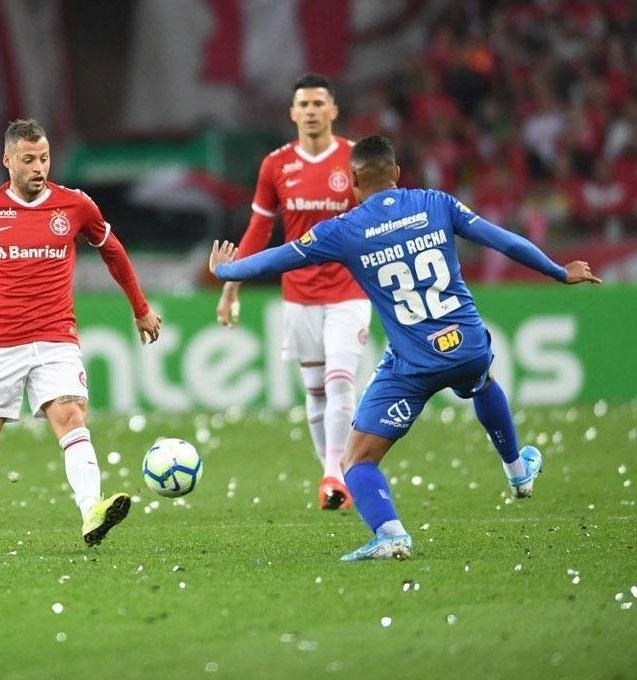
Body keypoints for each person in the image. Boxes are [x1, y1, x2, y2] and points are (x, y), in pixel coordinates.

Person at [209, 135, 600, 561]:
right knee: (482, 380)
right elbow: (502, 239)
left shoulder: (344, 230)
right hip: (466, 344)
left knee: (356, 461)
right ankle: (518, 471)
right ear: (396, 172)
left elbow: (279, 258)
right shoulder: (438, 203)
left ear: (353, 182)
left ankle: (391, 534)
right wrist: (558, 271)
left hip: (413, 365)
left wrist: (226, 271)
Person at [0, 119, 162, 554]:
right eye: (28, 160)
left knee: (71, 418)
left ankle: (91, 511)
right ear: (8, 161)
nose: (38, 167)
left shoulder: (74, 205)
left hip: (56, 339)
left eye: (43, 158)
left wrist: (141, 309)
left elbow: (112, 251)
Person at [216, 73, 370, 510]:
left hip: (349, 289)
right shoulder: (276, 165)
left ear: (333, 110)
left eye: (319, 103)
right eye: (303, 104)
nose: (311, 111)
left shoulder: (354, 159)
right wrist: (232, 284)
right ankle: (334, 478)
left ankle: (333, 474)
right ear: (292, 112)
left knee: (341, 378)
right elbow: (260, 230)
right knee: (316, 390)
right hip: (299, 293)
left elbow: (377, 220)